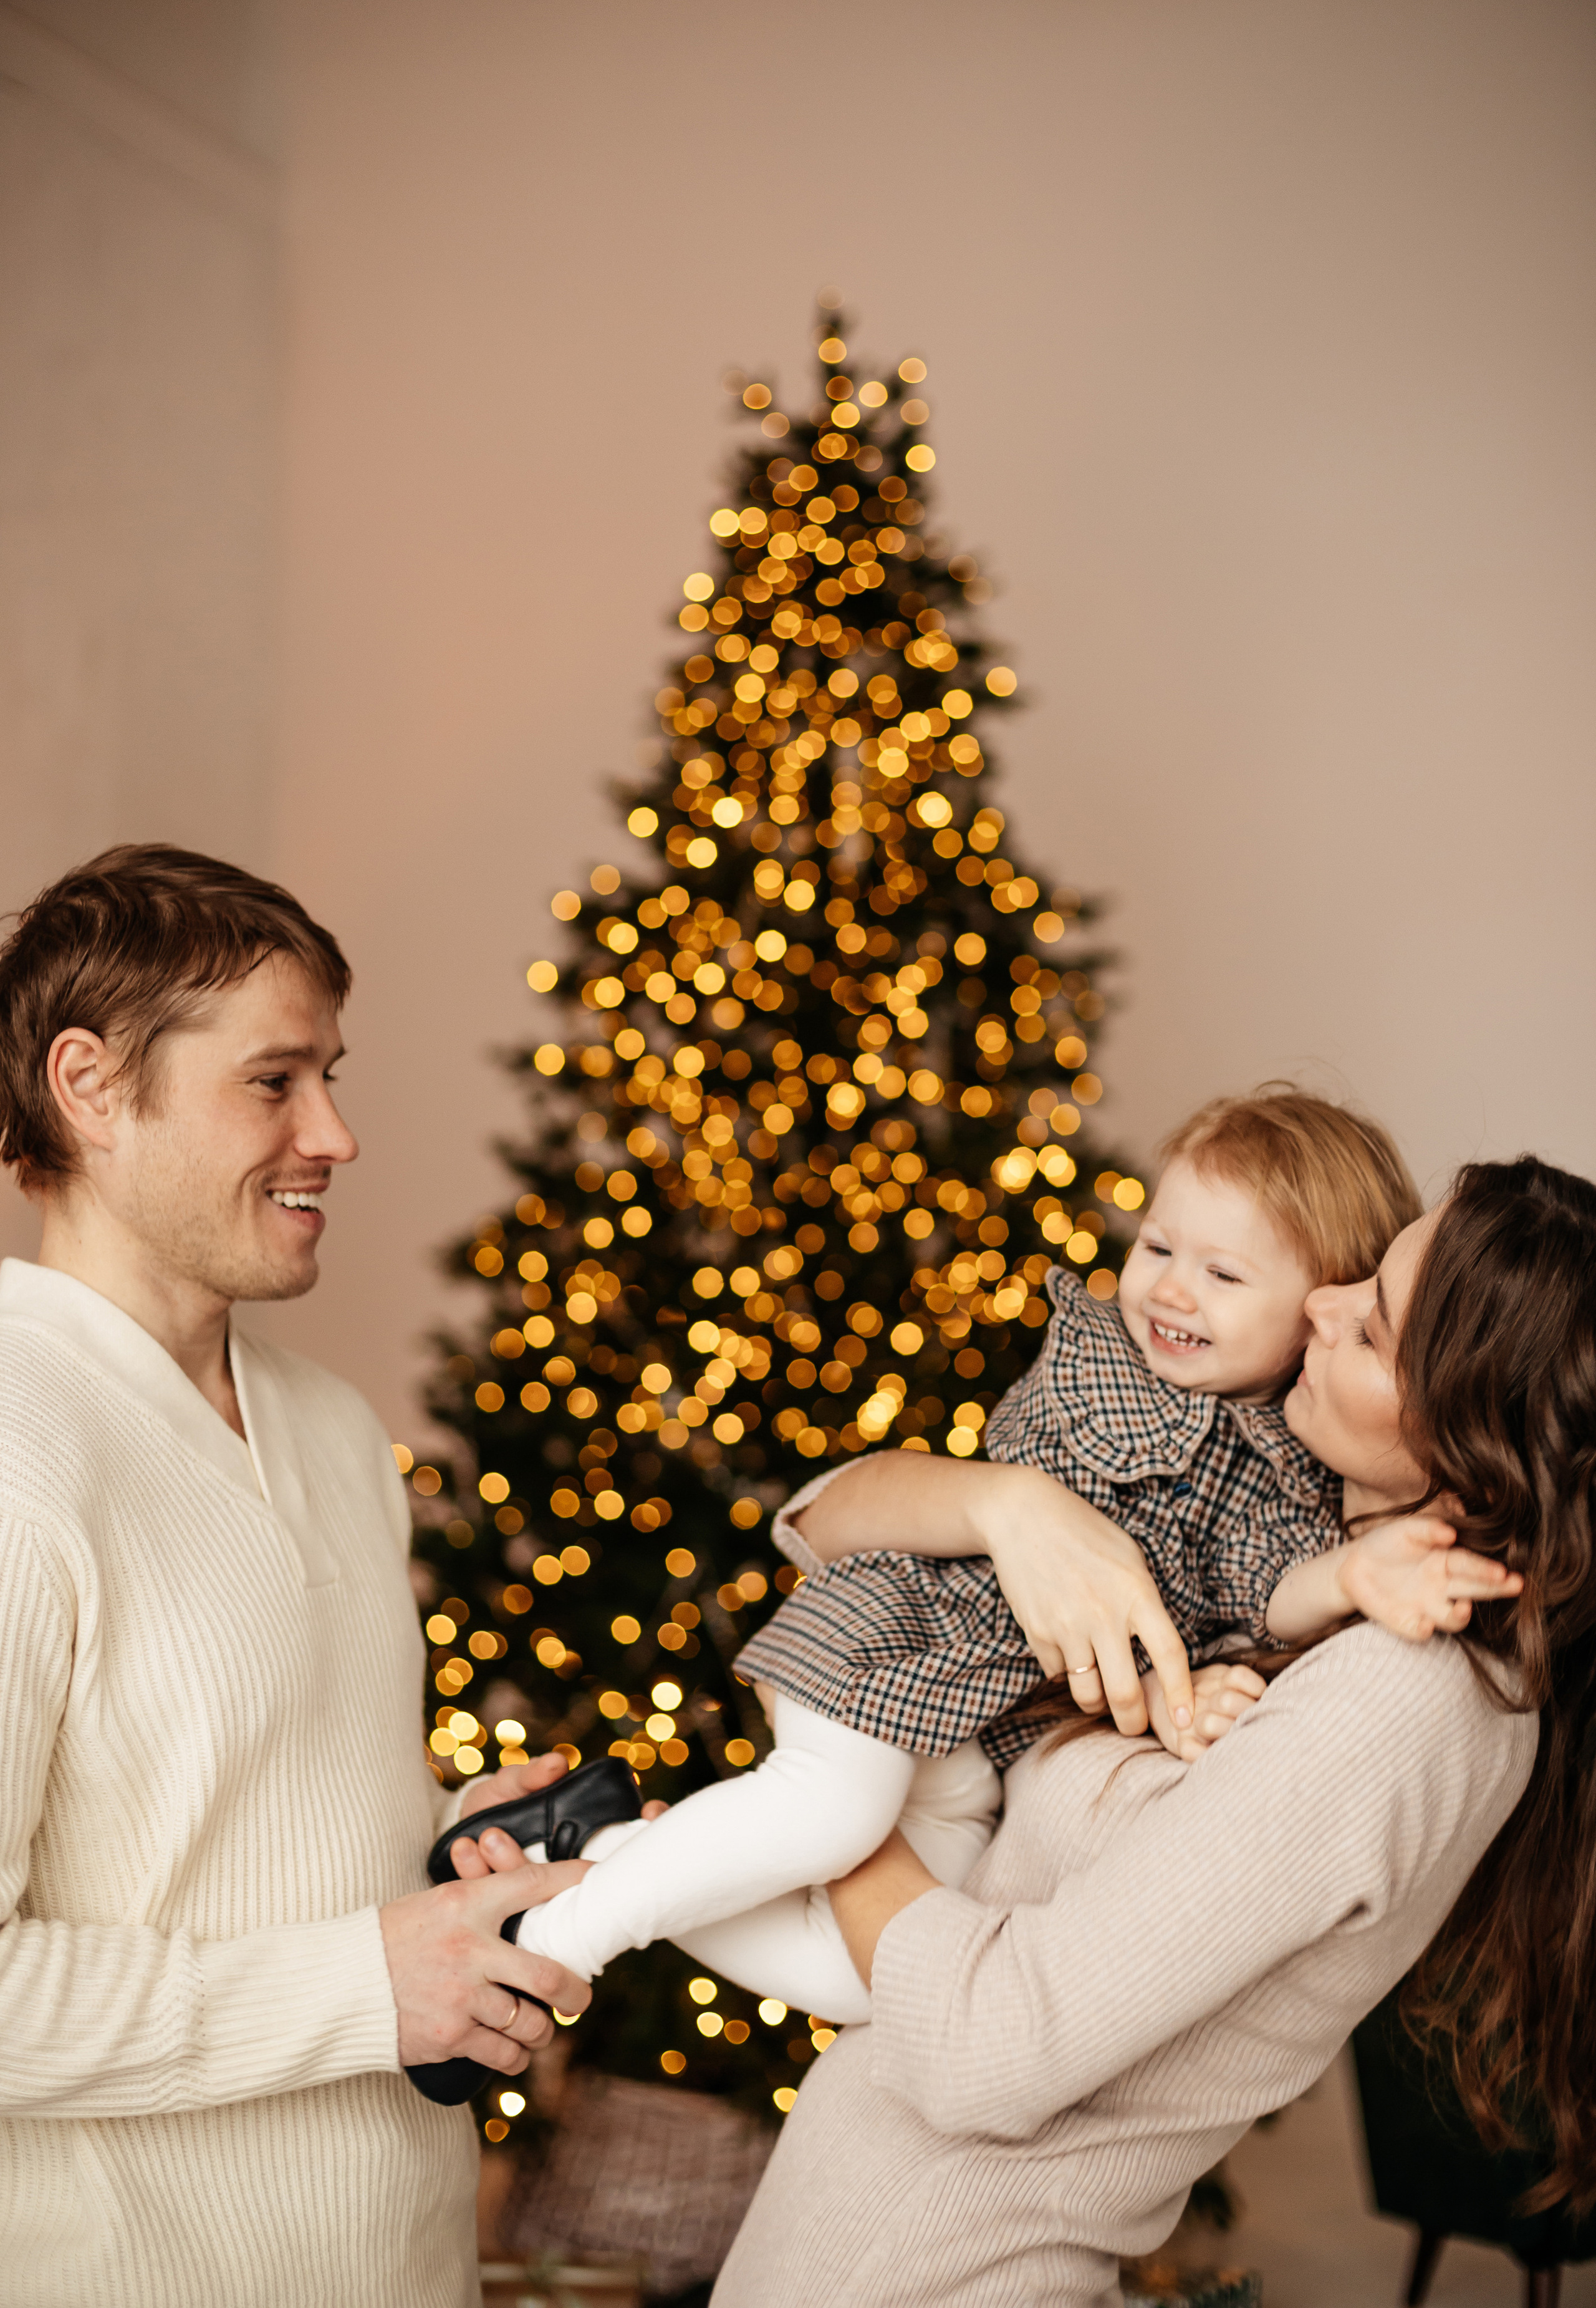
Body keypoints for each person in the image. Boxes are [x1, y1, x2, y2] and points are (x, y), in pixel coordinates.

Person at [704, 1157, 1596, 2306]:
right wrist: (1008, 1505)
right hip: (864, 2242)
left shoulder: (1405, 1701)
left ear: (1474, 1449)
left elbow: (994, 2047)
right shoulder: (1284, 1534)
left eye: (1371, 1328)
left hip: (936, 2269)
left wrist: (828, 1797)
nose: (1320, 1304)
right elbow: (819, 1521)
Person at [500, 1092, 1512, 2023]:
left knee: (858, 1980)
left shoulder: (1284, 1492)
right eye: (1159, 1245)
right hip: (896, 1642)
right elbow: (858, 1519)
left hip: (966, 1730)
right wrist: (1044, 1527)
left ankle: (596, 1848)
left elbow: (1250, 1586)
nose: (1169, 1289)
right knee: (827, 1815)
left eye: (1224, 1274)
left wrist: (1289, 1619)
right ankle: (552, 1943)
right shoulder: (1111, 1369)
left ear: (1313, 1306)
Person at [0, 847, 590, 2308]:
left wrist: (453, 1853)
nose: (335, 1129)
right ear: (89, 1087)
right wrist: (362, 1987)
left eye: (329, 1072)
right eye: (275, 1081)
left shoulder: (330, 1427)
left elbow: (251, 1837)